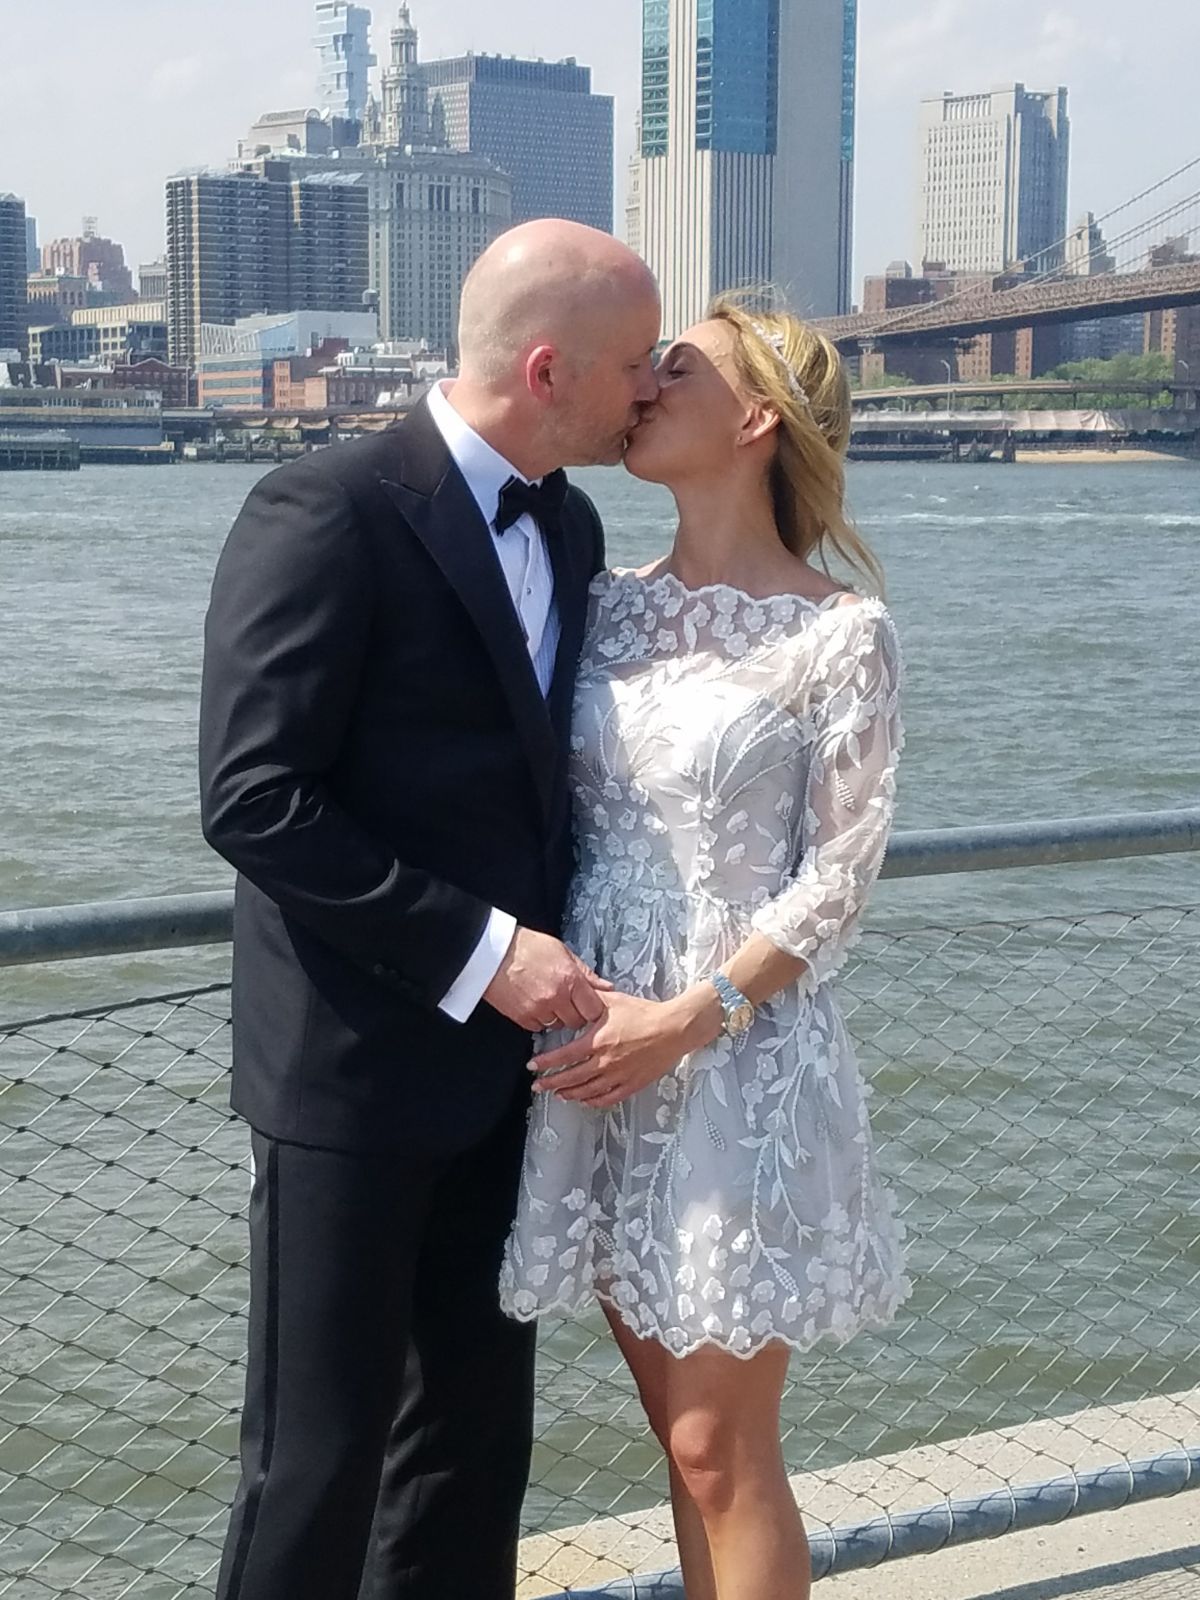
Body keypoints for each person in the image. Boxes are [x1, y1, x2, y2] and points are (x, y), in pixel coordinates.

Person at [198, 218, 661, 1600]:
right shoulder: (326, 506)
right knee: (315, 1459)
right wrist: (483, 951)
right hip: (349, 1072)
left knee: (471, 1451)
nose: (650, 386)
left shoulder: (573, 525)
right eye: (635, 364)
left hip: (509, 1077)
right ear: (546, 367)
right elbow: (253, 794)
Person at [501, 302, 910, 1600]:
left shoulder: (840, 634)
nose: (642, 384)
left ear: (755, 421)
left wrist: (689, 1017)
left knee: (717, 1445)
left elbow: (839, 881)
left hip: (732, 1057)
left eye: (674, 370)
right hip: (596, 1054)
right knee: (678, 1450)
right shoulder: (599, 604)